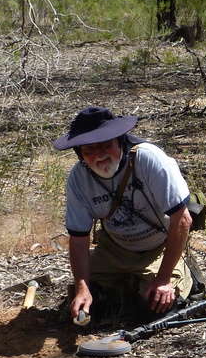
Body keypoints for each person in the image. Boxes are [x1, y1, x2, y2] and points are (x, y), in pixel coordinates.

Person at [53, 107, 194, 321]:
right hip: (114, 250)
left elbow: (182, 220)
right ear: (80, 153)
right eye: (89, 150)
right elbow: (79, 239)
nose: (99, 155)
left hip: (160, 247)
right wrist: (83, 286)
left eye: (106, 146)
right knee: (84, 306)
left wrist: (164, 279)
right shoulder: (78, 179)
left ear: (119, 141)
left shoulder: (149, 159)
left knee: (157, 305)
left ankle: (174, 275)